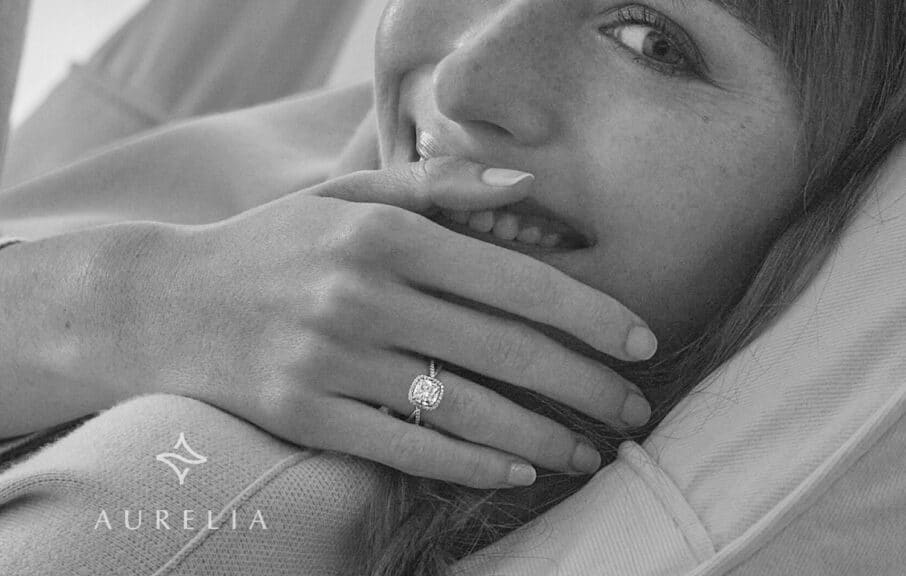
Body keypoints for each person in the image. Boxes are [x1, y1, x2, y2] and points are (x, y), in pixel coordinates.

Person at [0, 0, 904, 574]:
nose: (468, 78)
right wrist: (123, 302)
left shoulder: (194, 513)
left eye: (650, 40)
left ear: (836, 194)